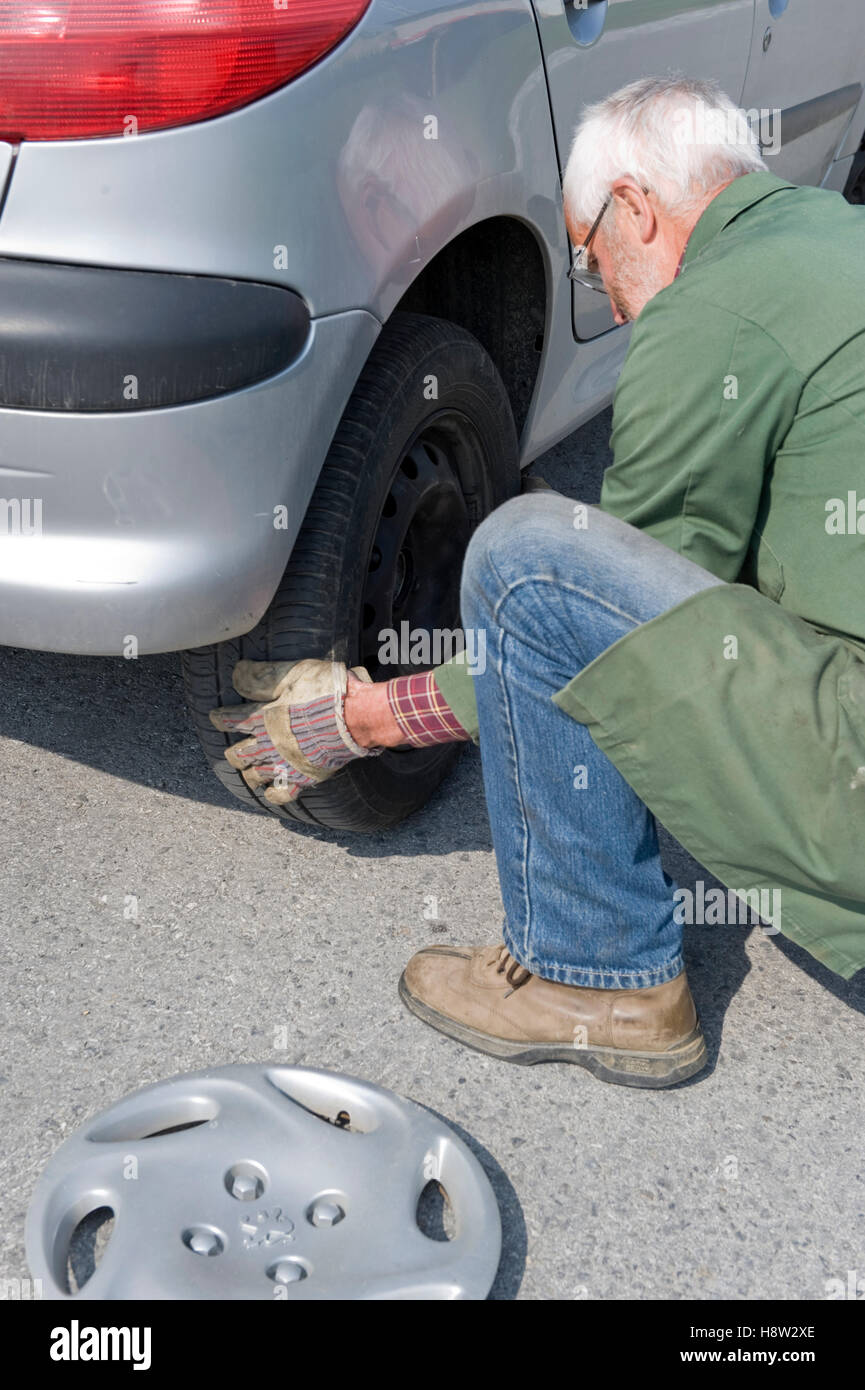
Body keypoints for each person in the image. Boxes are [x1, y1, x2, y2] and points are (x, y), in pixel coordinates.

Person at [209, 76, 865, 1088]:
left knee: (524, 558)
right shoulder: (828, 235)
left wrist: (369, 719)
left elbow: (603, 622)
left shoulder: (714, 313)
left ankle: (598, 971)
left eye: (590, 247)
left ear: (637, 206)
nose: (596, 286)